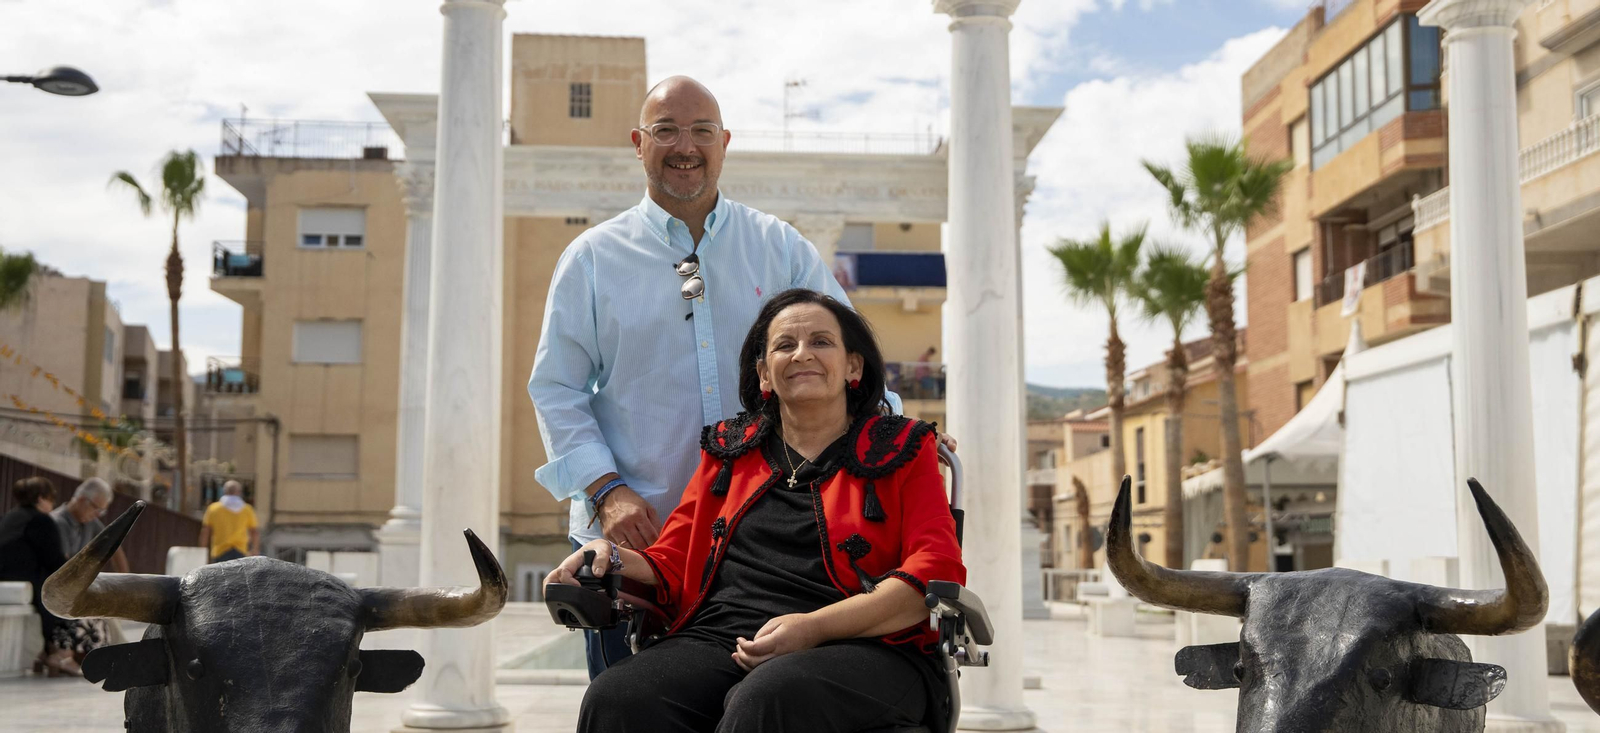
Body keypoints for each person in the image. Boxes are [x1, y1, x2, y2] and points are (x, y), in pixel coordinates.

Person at [529, 75, 936, 677]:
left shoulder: (781, 246)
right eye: (665, 130)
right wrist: (607, 492)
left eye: (701, 131)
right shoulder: (591, 257)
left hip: (758, 546)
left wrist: (902, 436)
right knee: (632, 705)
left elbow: (842, 357)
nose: (684, 145)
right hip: (633, 539)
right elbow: (557, 388)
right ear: (638, 143)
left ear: (724, 143)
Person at [547, 289, 965, 733]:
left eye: (821, 342)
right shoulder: (729, 448)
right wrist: (605, 556)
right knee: (617, 698)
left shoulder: (902, 447)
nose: (802, 354)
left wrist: (811, 629)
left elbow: (935, 571)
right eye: (785, 345)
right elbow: (673, 559)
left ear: (853, 366)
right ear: (764, 374)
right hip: (721, 636)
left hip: (866, 644)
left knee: (767, 698)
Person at [0, 477, 77, 676]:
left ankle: (47, 652)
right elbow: (54, 561)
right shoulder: (41, 520)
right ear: (41, 498)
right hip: (30, 580)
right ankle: (61, 653)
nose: (52, 504)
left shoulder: (10, 517)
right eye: (51, 499)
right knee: (70, 596)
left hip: (8, 577)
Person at [51, 478, 130, 571]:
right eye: (96, 509)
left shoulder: (90, 522)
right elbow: (63, 569)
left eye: (101, 511)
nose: (97, 515)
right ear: (81, 499)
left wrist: (125, 578)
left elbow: (113, 543)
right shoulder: (57, 522)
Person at [199, 481, 258, 563]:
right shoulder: (247, 509)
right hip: (240, 550)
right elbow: (253, 531)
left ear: (224, 491)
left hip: (220, 551)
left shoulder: (213, 509)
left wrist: (203, 550)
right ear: (239, 492)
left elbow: (206, 531)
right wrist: (255, 549)